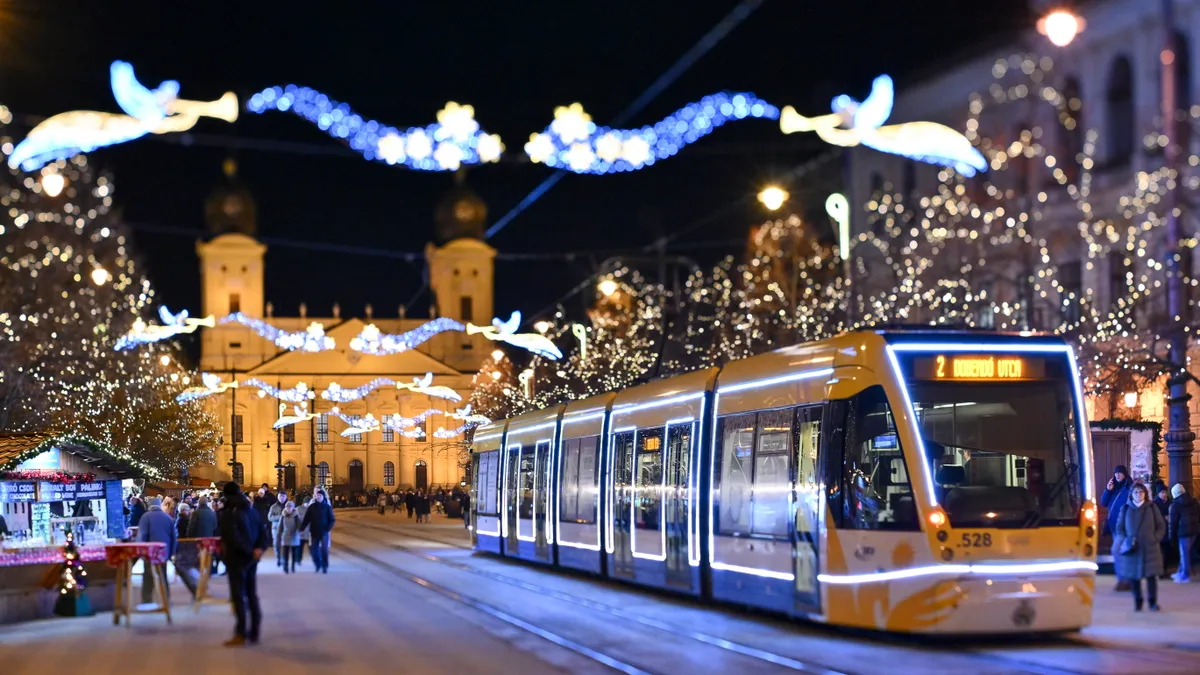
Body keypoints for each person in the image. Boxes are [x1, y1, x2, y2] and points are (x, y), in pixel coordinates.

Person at [218, 481, 268, 646]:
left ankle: (241, 633)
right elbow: (263, 532)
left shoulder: (229, 512)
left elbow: (232, 537)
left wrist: (247, 551)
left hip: (237, 558)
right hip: (251, 559)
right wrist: (258, 549)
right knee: (251, 594)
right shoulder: (252, 511)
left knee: (239, 596)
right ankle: (254, 632)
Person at [1115, 483, 1167, 612]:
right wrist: (1125, 540)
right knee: (1134, 578)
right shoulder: (1125, 508)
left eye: (1141, 492)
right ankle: (1138, 602)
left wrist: (1155, 538)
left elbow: (1161, 526)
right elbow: (1119, 528)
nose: (1138, 494)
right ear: (1131, 494)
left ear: (1145, 493)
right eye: (1136, 492)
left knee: (1151, 578)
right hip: (1133, 548)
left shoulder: (1152, 507)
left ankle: (1152, 602)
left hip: (1150, 548)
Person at [135, 497, 177, 607]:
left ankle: (147, 599)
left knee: (148, 576)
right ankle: (166, 598)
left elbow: (142, 535)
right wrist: (171, 552)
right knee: (162, 575)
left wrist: (140, 552)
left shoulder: (146, 517)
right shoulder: (168, 518)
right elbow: (174, 537)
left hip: (149, 553)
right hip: (164, 552)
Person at [1100, 465, 1134, 591]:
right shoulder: (1113, 487)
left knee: (1123, 553)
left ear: (1125, 474)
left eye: (1120, 473)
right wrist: (1108, 490)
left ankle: (1127, 580)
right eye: (1115, 473)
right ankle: (1123, 580)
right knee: (1117, 553)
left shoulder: (1130, 488)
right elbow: (1103, 502)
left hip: (1126, 527)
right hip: (1114, 527)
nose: (1117, 475)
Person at [1169, 483, 1200, 583]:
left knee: (1184, 554)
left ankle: (1185, 575)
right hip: (1194, 530)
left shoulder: (1175, 505)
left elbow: (1173, 523)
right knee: (1186, 552)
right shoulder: (1193, 501)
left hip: (1183, 532)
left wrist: (1171, 536)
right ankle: (1180, 571)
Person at [300, 489, 335, 573]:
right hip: (314, 531)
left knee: (324, 550)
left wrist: (327, 528)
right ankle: (317, 564)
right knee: (314, 550)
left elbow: (332, 520)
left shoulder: (327, 507)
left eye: (320, 495)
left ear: (323, 497)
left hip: (324, 532)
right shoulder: (312, 507)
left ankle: (324, 565)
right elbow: (306, 519)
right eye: (317, 495)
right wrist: (301, 528)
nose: (318, 497)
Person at [1154, 481, 1174, 577]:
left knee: (1168, 551)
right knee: (1160, 552)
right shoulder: (1155, 503)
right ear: (1158, 493)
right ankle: (1160, 571)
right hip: (1159, 530)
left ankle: (1165, 570)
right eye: (1162, 492)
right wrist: (1164, 517)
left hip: (1168, 530)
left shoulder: (1170, 502)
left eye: (1165, 492)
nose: (1164, 494)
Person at [275, 501, 302, 573]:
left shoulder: (296, 515)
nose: (289, 508)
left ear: (293, 508)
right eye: (287, 507)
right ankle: (285, 566)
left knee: (293, 553)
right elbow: (280, 526)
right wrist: (278, 535)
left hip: (294, 535)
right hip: (285, 535)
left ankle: (293, 566)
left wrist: (299, 531)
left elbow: (299, 525)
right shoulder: (283, 515)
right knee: (285, 553)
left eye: (290, 507)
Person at [268, 491, 288, 567]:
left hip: (286, 527)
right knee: (276, 544)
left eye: (283, 496)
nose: (282, 498)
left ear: (286, 497)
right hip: (276, 527)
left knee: (285, 544)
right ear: (277, 497)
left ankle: (283, 558)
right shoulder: (273, 507)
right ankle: (278, 558)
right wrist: (279, 517)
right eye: (280, 496)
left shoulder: (289, 505)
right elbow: (270, 517)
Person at [295, 497, 311, 565]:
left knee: (312, 548)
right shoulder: (298, 508)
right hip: (301, 531)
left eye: (308, 503)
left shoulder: (312, 508)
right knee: (299, 548)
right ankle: (298, 560)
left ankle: (316, 560)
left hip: (310, 532)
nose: (307, 504)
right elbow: (297, 519)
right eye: (306, 503)